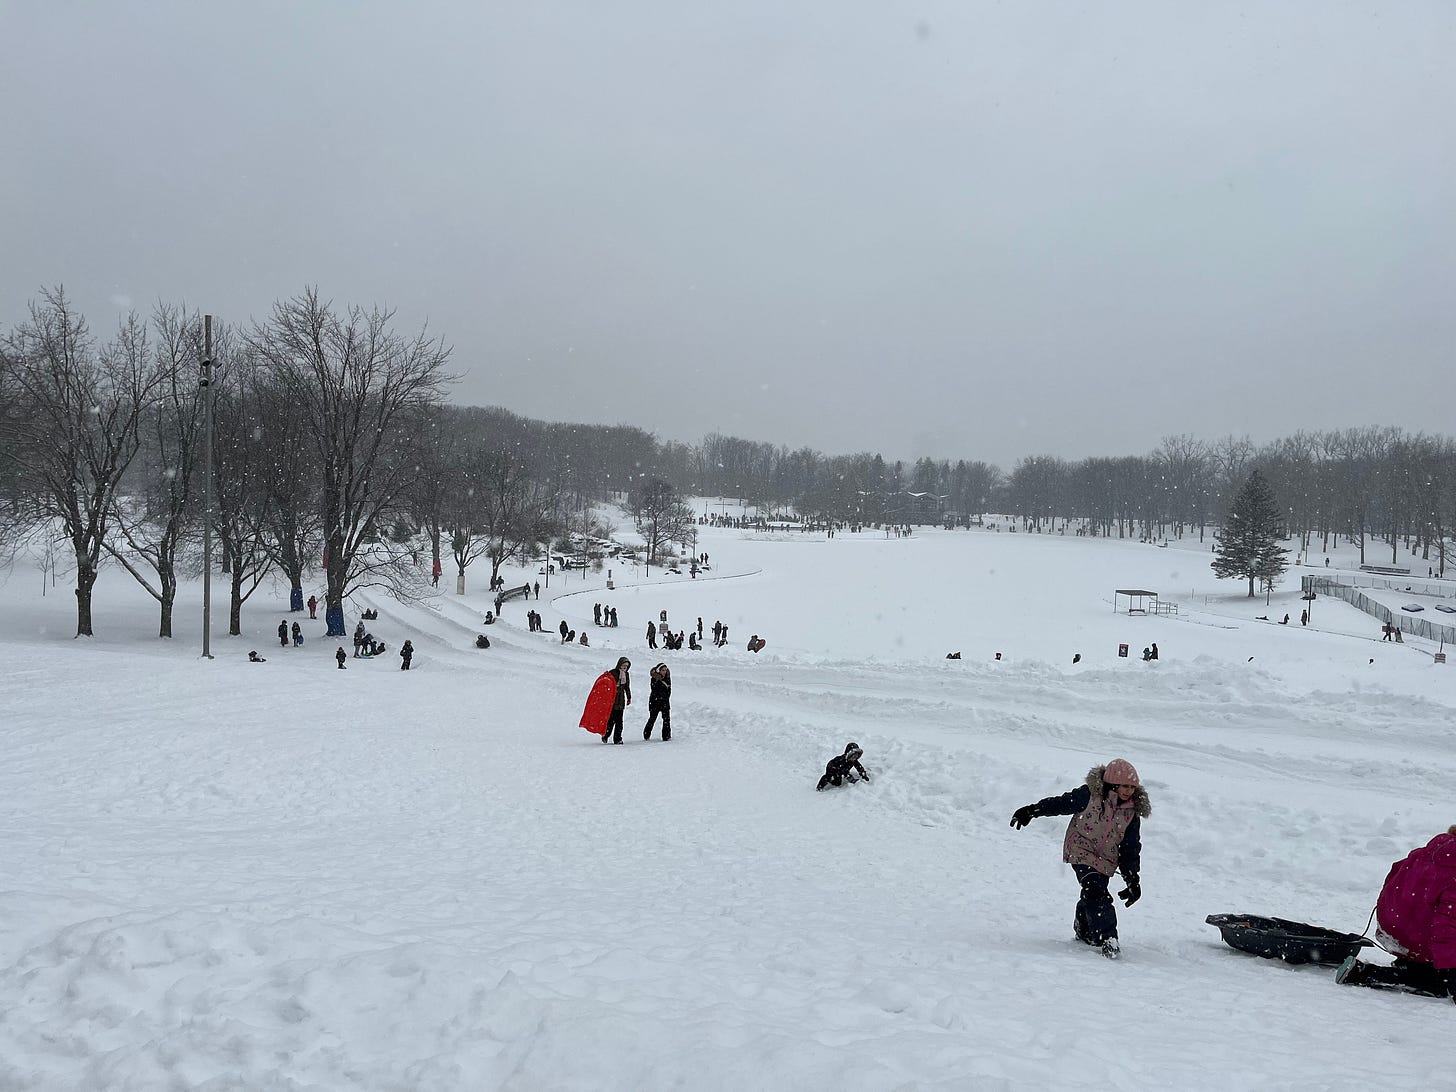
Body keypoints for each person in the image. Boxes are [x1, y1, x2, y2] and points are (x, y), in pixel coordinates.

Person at [1009, 759, 1148, 959]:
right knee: (1096, 889)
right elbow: (1061, 803)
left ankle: (1083, 927)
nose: (1129, 791)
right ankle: (1108, 938)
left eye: (1133, 787)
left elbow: (1130, 848)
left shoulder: (1131, 813)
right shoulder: (1089, 795)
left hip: (1106, 858)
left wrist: (1132, 878)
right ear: (1113, 784)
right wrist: (1032, 811)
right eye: (1125, 786)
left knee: (1093, 892)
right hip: (1080, 848)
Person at [1335, 825, 1456, 1001]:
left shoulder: (1428, 852)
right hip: (1420, 940)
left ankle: (1413, 963)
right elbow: (1447, 927)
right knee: (1441, 985)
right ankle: (1365, 974)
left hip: (1396, 928)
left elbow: (1394, 876)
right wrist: (1451, 973)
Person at [601, 657, 632, 745]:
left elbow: (627, 687)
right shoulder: (613, 672)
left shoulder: (626, 674)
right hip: (612, 700)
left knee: (619, 722)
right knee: (611, 720)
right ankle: (606, 735)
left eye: (626, 666)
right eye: (623, 665)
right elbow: (606, 683)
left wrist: (629, 697)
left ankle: (618, 739)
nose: (625, 667)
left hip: (621, 700)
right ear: (619, 664)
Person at [644, 663, 672, 740]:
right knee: (652, 718)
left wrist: (666, 697)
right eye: (663, 670)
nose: (664, 672)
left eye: (665, 670)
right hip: (655, 702)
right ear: (659, 670)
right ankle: (646, 734)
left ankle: (666, 736)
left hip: (665, 702)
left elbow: (669, 690)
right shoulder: (654, 678)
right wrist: (660, 697)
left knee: (666, 719)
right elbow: (655, 690)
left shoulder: (667, 677)